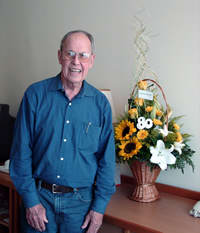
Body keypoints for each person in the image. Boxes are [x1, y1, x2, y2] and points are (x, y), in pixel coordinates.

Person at [9, 30, 116, 233]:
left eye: (83, 55)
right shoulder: (35, 95)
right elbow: (20, 153)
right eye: (70, 53)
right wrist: (31, 202)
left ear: (91, 60)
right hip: (39, 199)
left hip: (81, 206)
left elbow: (107, 161)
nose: (76, 61)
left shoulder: (100, 104)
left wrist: (99, 208)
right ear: (60, 56)